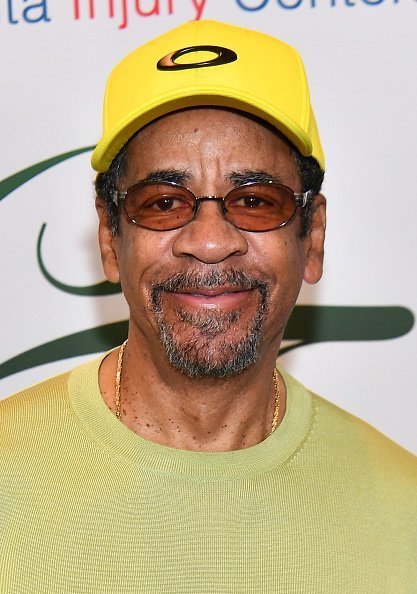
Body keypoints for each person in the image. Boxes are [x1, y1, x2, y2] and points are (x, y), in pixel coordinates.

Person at [1, 20, 416, 593]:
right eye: (165, 202)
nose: (212, 240)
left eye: (254, 200)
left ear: (313, 237)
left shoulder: (405, 511)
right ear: (109, 238)